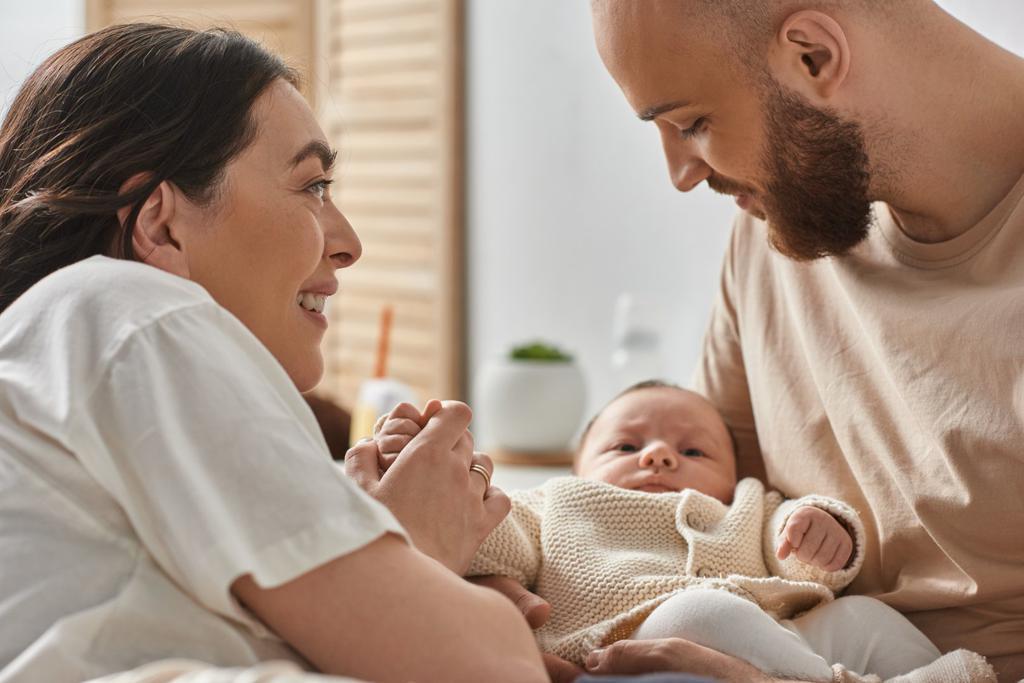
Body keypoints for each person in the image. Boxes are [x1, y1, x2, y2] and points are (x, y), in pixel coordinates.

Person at [0, 23, 549, 683]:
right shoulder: (131, 313)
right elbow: (495, 664)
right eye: (313, 186)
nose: (347, 242)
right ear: (160, 222)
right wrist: (415, 545)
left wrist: (365, 530)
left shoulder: (69, 356)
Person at [573, 1, 1024, 680]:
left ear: (813, 55)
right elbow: (698, 516)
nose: (682, 174)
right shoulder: (781, 225)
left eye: (693, 123)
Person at [376, 382, 994, 682]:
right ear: (579, 465)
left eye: (694, 450)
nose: (660, 457)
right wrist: (438, 479)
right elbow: (484, 540)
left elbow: (800, 561)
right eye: (626, 444)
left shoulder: (747, 506)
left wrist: (818, 532)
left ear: (734, 474)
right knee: (702, 609)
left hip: (783, 635)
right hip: (635, 640)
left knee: (866, 620)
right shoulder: (555, 503)